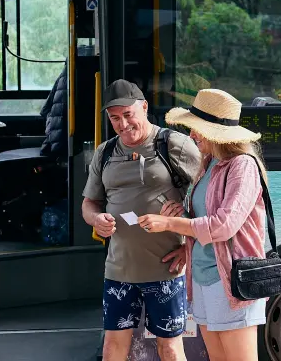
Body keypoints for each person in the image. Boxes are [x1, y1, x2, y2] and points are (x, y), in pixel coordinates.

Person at [138, 89, 269, 361]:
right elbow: (204, 221)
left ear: (216, 133)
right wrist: (182, 219)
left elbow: (224, 226)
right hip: (204, 279)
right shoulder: (209, 164)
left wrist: (169, 223)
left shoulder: (242, 165)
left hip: (232, 282)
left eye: (197, 129)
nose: (192, 135)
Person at [81, 79, 203, 361]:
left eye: (128, 115)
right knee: (112, 348)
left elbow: (207, 201)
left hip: (166, 270)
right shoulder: (105, 152)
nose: (123, 124)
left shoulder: (174, 144)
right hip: (119, 270)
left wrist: (188, 244)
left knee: (170, 348)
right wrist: (95, 219)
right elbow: (89, 203)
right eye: (115, 118)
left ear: (144, 107)